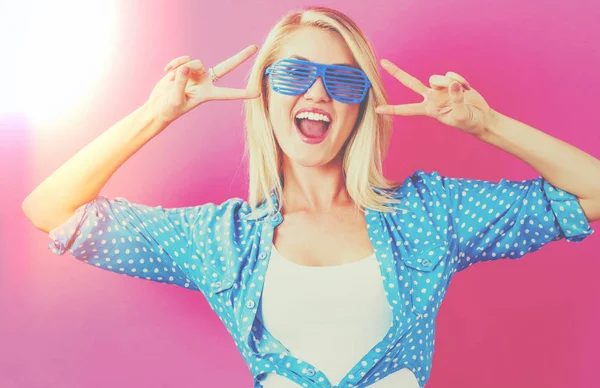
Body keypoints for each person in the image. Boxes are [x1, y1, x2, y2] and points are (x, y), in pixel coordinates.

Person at [21, 6, 598, 388]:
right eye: (295, 74)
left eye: (344, 80)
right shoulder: (221, 240)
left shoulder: (430, 215)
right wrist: (157, 113)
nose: (318, 90)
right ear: (263, 91)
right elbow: (51, 211)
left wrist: (487, 126)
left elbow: (592, 194)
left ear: (361, 105)